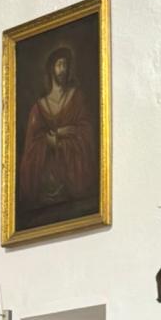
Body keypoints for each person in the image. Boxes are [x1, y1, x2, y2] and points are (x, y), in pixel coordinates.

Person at [17, 45, 96, 220]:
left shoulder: (76, 99)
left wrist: (62, 134)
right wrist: (47, 141)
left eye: (65, 65)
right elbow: (31, 147)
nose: (63, 69)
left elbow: (86, 133)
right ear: (51, 68)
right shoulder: (38, 108)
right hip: (46, 188)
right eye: (59, 64)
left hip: (73, 182)